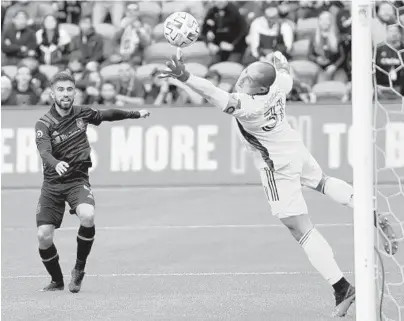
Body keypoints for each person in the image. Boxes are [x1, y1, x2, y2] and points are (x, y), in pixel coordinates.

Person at [159, 50, 399, 317]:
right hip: (293, 148)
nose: (242, 78)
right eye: (246, 71)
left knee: (300, 229)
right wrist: (279, 57)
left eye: (249, 78)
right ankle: (371, 213)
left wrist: (185, 76)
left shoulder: (250, 105)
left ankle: (342, 288)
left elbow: (213, 94)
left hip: (277, 167)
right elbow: (284, 71)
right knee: (322, 181)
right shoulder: (279, 85)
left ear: (260, 87)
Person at [35, 71, 150, 293]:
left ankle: (79, 270)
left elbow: (108, 114)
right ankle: (57, 281)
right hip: (52, 185)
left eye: (69, 89)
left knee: (88, 215)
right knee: (43, 236)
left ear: (74, 92)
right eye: (60, 90)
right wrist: (55, 162)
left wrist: (135, 114)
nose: (65, 94)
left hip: (77, 180)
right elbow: (44, 151)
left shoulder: (82, 113)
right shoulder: (44, 123)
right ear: (52, 93)